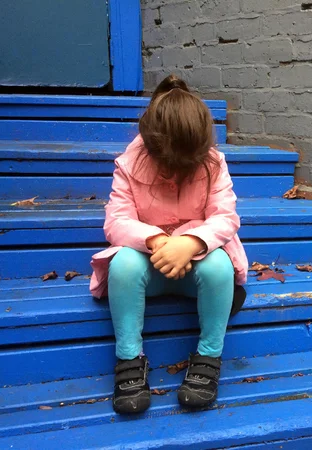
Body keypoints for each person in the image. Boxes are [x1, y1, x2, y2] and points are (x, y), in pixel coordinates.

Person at [89, 75, 248, 415]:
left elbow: (226, 217)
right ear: (150, 145)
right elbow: (116, 221)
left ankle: (208, 356)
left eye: (187, 165)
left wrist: (191, 243)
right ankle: (130, 359)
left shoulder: (214, 164)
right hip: (151, 268)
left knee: (220, 266)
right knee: (124, 264)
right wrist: (157, 239)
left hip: (196, 268)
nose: (176, 174)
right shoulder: (129, 165)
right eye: (167, 164)